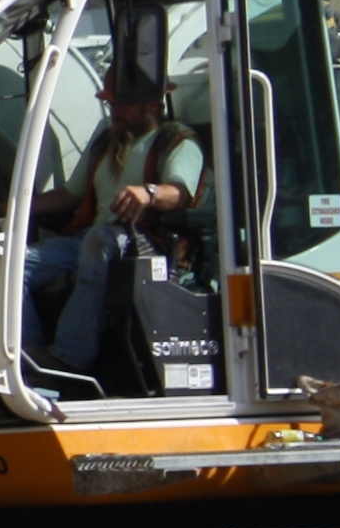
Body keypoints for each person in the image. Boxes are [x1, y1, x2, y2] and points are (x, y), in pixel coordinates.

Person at [25, 63, 206, 379]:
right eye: (112, 103)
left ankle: (69, 357)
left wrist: (148, 193)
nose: (114, 110)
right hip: (95, 236)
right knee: (16, 264)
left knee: (101, 242)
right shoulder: (106, 142)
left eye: (121, 104)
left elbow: (180, 192)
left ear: (151, 103)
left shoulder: (177, 142)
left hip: (150, 241)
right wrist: (11, 207)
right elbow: (70, 195)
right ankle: (27, 358)